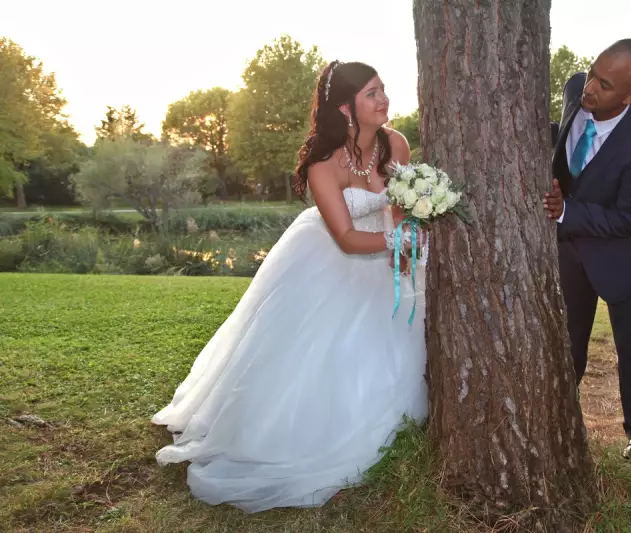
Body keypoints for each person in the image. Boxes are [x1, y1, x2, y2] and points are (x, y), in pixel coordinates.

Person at [151, 60, 428, 512]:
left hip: (384, 251)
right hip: (332, 256)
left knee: (394, 332)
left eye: (383, 90)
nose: (384, 100)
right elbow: (345, 237)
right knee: (324, 348)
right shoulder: (324, 165)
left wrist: (405, 249)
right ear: (346, 106)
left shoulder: (395, 143)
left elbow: (397, 209)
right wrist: (394, 240)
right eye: (372, 93)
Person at [544, 39, 631, 465]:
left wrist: (568, 211)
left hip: (622, 256)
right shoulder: (575, 88)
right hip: (570, 250)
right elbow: (558, 139)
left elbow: (627, 220)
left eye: (605, 83)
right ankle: (555, 420)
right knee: (567, 343)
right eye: (592, 71)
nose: (590, 89)